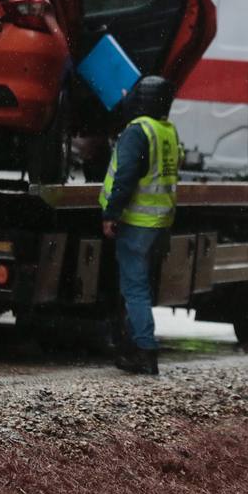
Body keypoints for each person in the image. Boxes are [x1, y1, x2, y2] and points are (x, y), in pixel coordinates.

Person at [98, 76, 181, 376]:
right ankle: (133, 349)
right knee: (141, 288)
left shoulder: (138, 132)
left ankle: (145, 351)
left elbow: (125, 177)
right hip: (160, 223)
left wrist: (111, 214)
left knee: (134, 289)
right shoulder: (166, 131)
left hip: (138, 223)